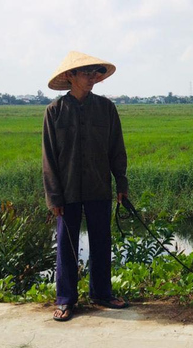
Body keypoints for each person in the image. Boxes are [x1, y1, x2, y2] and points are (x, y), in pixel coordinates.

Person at [42, 51, 130, 322]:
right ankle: (66, 299)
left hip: (99, 187)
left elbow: (117, 149)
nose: (92, 77)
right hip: (66, 191)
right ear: (70, 76)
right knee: (66, 246)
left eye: (95, 73)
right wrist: (54, 196)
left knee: (102, 242)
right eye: (86, 72)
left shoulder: (106, 109)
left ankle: (101, 293)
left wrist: (121, 183)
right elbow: (49, 157)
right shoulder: (54, 111)